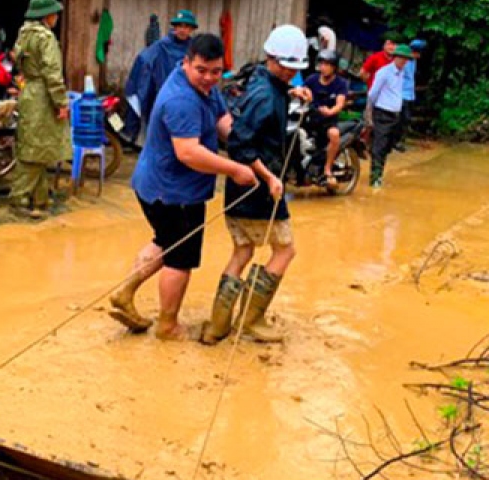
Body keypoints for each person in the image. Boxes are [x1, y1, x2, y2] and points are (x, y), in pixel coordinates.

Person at [111, 33, 257, 340]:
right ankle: (168, 325)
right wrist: (235, 169)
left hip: (158, 184)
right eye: (201, 70)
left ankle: (125, 292)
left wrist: (244, 145)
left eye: (216, 72)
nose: (208, 78)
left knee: (166, 241)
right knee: (180, 259)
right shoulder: (181, 99)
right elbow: (189, 152)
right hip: (172, 192)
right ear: (186, 62)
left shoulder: (206, 88)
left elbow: (222, 120)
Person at [201, 25, 309, 345]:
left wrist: (293, 92)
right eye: (289, 67)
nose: (292, 73)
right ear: (273, 59)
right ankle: (251, 319)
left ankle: (217, 326)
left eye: (296, 68)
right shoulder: (264, 95)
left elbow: (267, 96)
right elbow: (241, 145)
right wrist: (271, 177)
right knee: (286, 250)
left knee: (243, 250)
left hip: (240, 190)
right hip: (259, 189)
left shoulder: (261, 79)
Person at [9, 0, 70, 218]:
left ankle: (40, 200)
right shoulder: (45, 38)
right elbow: (53, 73)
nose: (56, 18)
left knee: (37, 148)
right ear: (47, 16)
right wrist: (61, 102)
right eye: (55, 14)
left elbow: (17, 60)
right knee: (35, 152)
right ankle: (18, 199)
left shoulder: (23, 34)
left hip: (29, 92)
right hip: (43, 96)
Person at [123, 9, 199, 142]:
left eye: (186, 26)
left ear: (191, 29)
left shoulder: (194, 48)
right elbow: (143, 60)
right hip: (163, 93)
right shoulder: (161, 46)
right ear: (174, 27)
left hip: (185, 94)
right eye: (179, 26)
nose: (182, 30)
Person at [366, 44, 413, 188]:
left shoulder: (402, 73)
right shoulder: (384, 72)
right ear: (396, 58)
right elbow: (372, 93)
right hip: (382, 112)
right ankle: (375, 178)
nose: (404, 62)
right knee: (379, 145)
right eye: (402, 58)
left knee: (387, 146)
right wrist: (369, 113)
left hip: (395, 114)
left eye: (406, 59)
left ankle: (379, 174)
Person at [307, 48, 349, 187]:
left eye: (327, 64)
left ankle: (327, 168)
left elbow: (340, 103)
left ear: (334, 67)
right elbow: (303, 91)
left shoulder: (340, 84)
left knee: (334, 134)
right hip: (311, 118)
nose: (323, 67)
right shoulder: (312, 79)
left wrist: (331, 111)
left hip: (328, 120)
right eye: (321, 64)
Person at [394, 38, 426, 152]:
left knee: (405, 119)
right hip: (402, 94)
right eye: (418, 53)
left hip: (409, 94)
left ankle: (399, 140)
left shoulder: (413, 62)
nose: (419, 56)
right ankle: (396, 141)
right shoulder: (404, 62)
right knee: (402, 118)